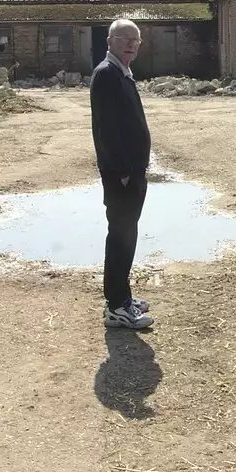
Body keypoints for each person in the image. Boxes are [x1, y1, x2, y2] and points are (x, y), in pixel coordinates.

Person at [90, 18, 155, 330]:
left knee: (126, 235)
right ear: (110, 41)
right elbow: (106, 131)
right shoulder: (106, 75)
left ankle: (122, 298)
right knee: (120, 237)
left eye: (136, 40)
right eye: (124, 38)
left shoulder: (122, 73)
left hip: (131, 172)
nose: (131, 44)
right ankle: (116, 306)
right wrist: (123, 171)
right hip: (122, 175)